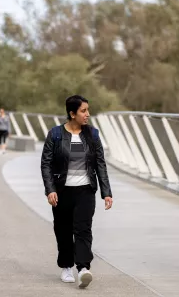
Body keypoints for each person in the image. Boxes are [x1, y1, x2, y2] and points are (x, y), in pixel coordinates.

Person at [40, 95, 113, 288]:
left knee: (83, 229)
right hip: (62, 191)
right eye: (83, 111)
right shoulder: (55, 135)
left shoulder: (93, 135)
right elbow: (46, 164)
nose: (87, 114)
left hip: (85, 191)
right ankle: (66, 266)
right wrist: (50, 190)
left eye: (88, 110)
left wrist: (106, 192)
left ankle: (83, 269)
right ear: (72, 114)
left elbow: (100, 165)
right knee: (63, 230)